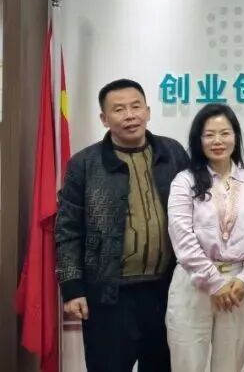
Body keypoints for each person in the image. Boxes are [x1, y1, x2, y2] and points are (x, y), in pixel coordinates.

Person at [55, 78, 190, 372]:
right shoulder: (85, 164)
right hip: (108, 296)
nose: (130, 115)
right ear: (104, 119)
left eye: (136, 106)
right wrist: (72, 287)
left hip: (166, 292)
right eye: (119, 109)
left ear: (148, 111)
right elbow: (67, 230)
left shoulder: (173, 153)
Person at [165, 104, 244, 372]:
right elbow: (182, 238)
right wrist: (215, 283)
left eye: (225, 133)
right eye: (209, 135)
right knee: (187, 364)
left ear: (236, 137)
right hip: (193, 284)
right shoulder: (184, 181)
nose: (217, 141)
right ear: (198, 140)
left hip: (240, 288)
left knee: (230, 365)